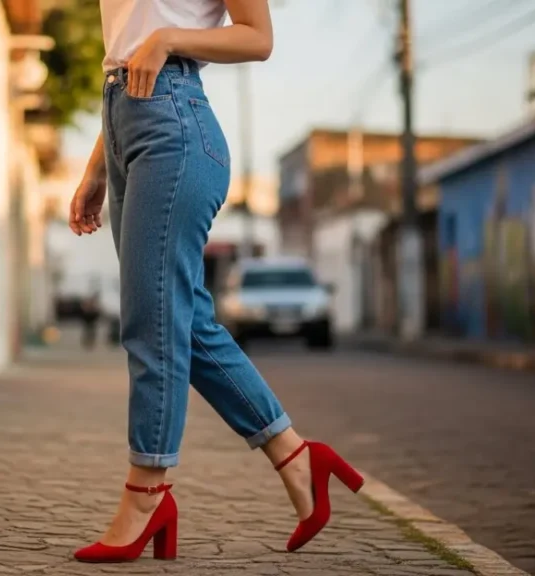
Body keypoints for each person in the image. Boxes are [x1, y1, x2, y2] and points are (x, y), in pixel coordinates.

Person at [67, 0, 363, 563]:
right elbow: (127, 51)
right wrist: (96, 168)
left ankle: (147, 492)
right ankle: (297, 457)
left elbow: (257, 37)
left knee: (151, 325)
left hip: (175, 131)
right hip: (125, 123)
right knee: (184, 321)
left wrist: (169, 40)